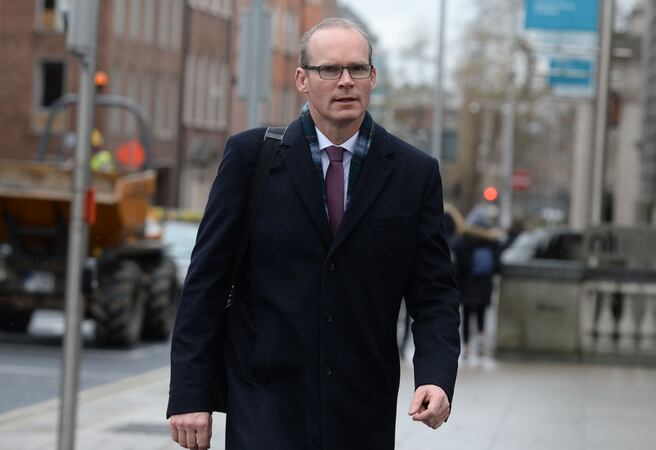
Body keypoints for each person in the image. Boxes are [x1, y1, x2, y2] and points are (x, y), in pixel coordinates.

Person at [167, 18, 461, 450]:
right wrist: (191, 395)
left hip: (362, 410)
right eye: (330, 70)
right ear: (303, 80)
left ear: (373, 78)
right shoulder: (251, 159)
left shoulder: (413, 173)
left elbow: (434, 292)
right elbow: (205, 284)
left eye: (357, 69)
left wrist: (435, 375)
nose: (345, 81)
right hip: (266, 404)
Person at [454, 209, 501, 360]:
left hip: (467, 284)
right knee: (481, 314)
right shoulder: (492, 241)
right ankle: (481, 339)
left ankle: (466, 347)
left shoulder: (464, 240)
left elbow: (458, 265)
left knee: (466, 316)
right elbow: (497, 266)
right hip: (484, 285)